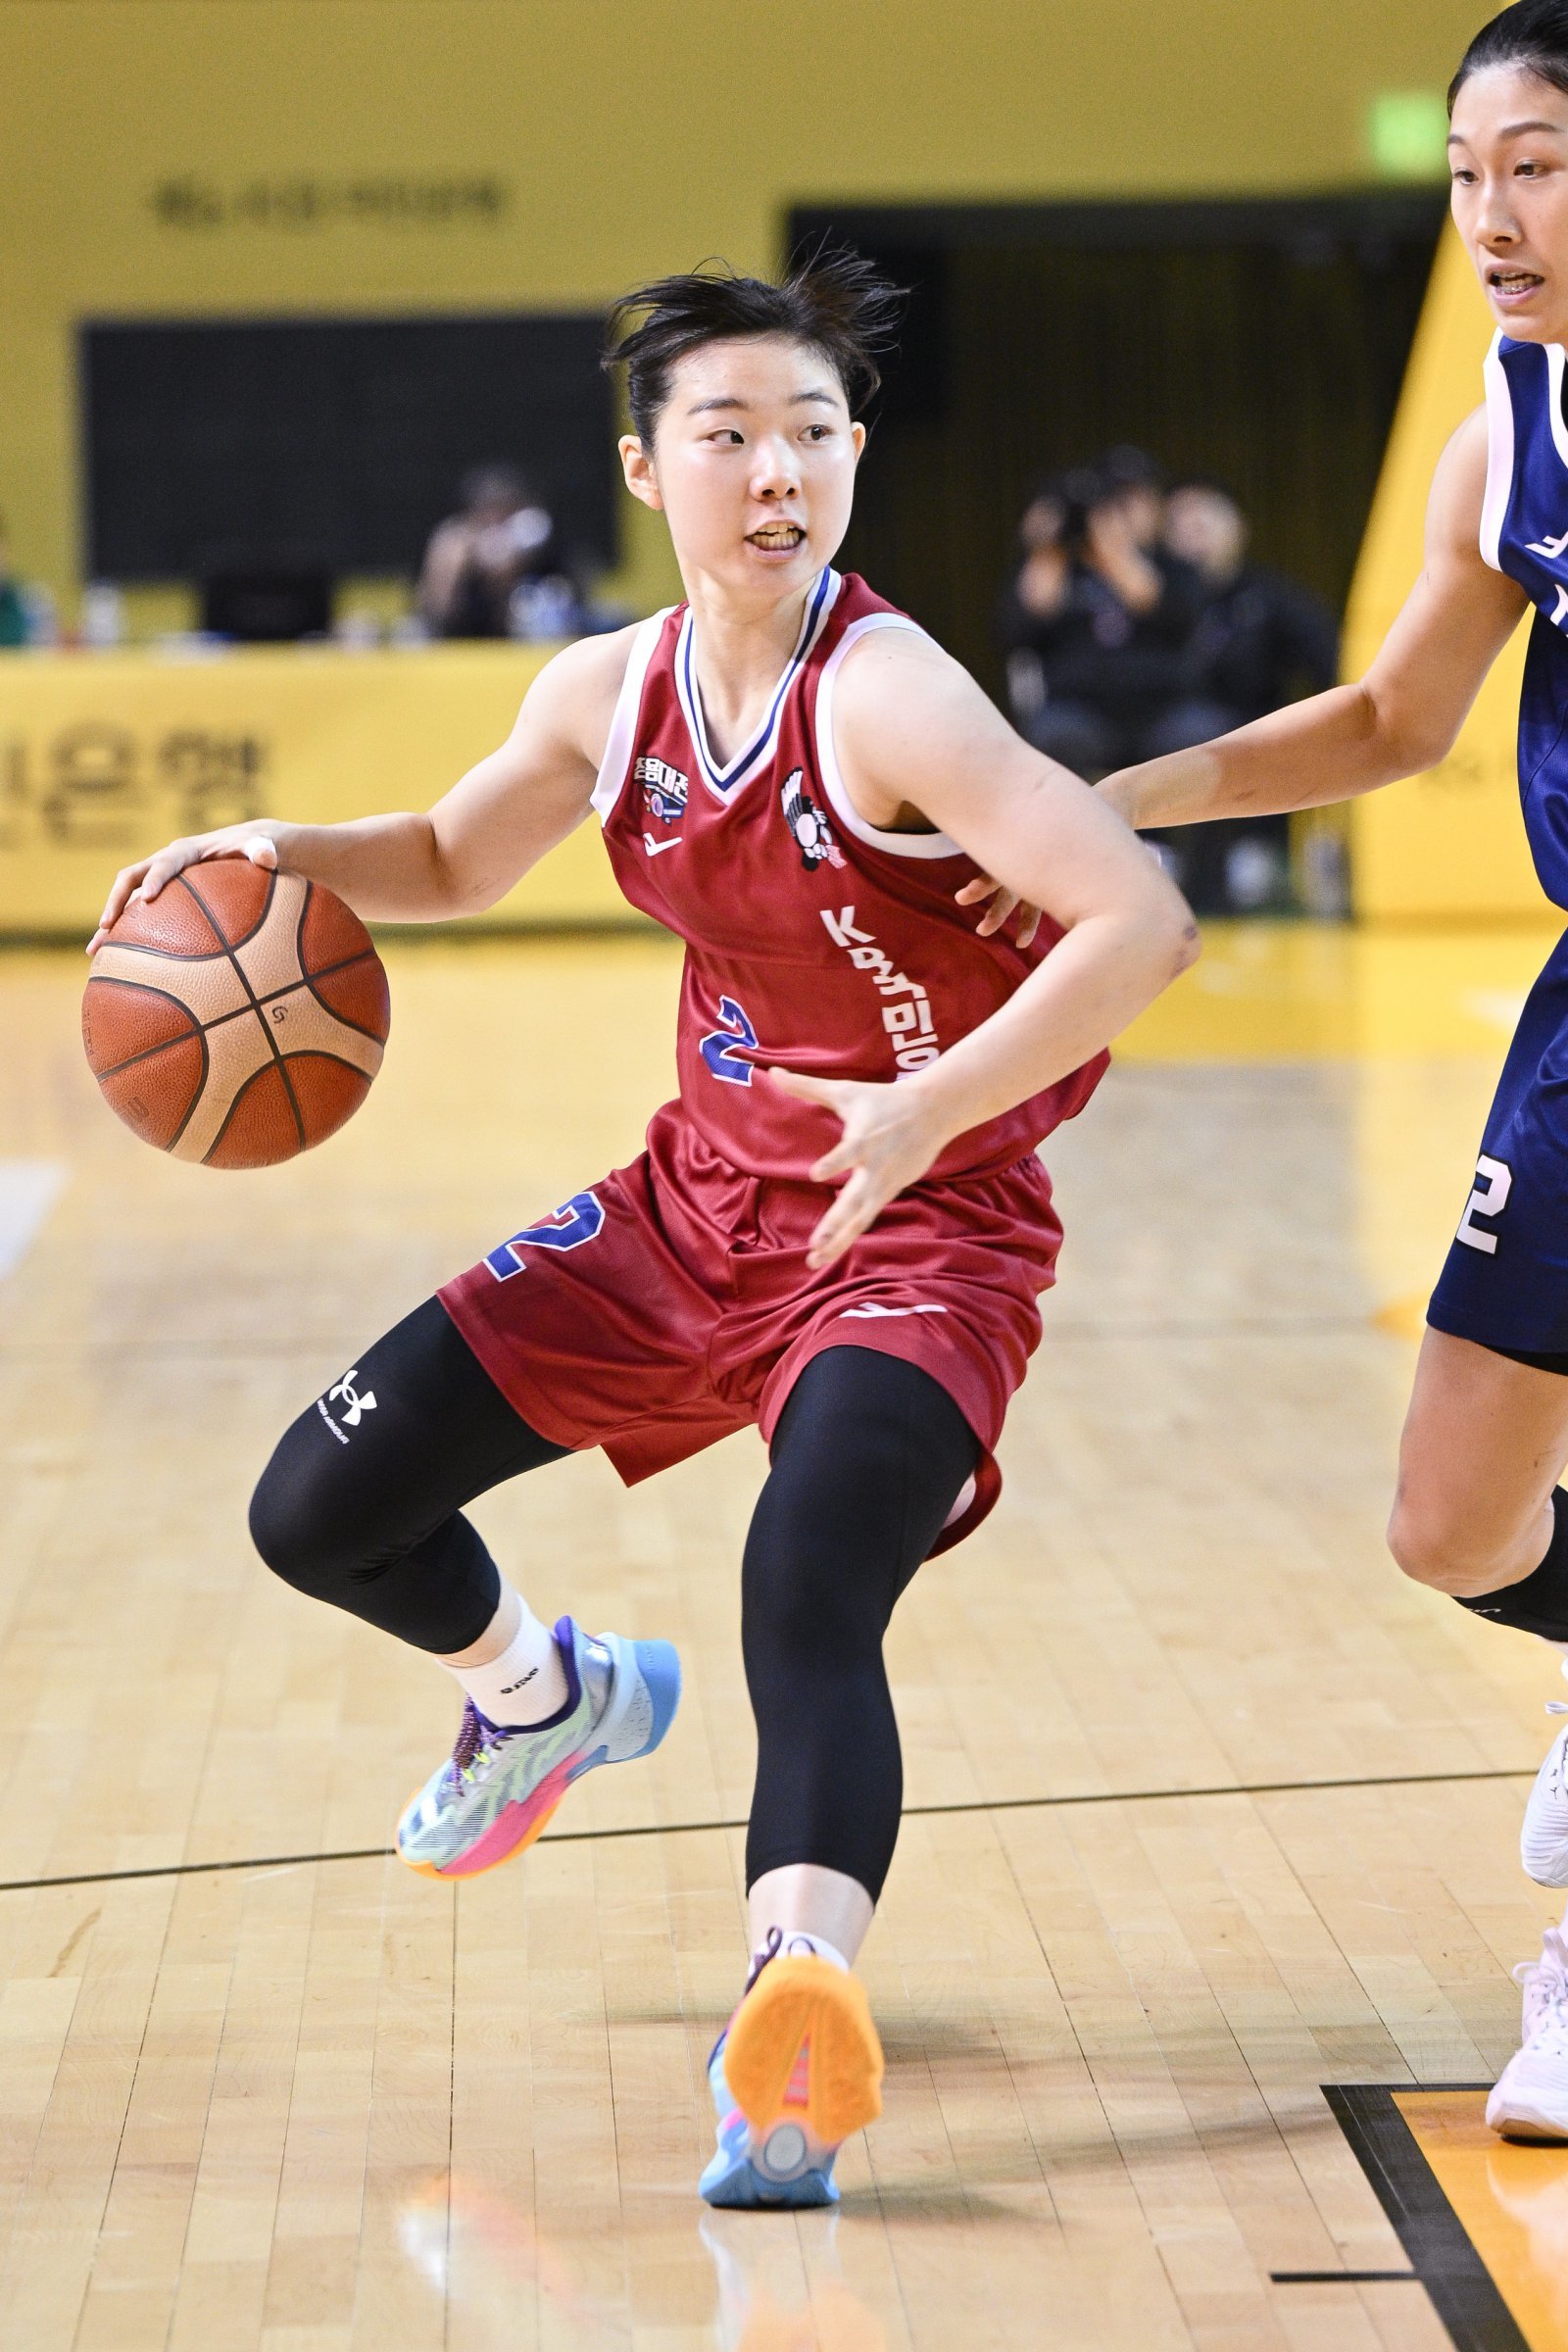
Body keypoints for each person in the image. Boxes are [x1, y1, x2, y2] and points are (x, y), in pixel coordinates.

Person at [89, 256, 1196, 2207]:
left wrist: (930, 1106)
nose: (780, 473)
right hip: (687, 1213)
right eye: (732, 434)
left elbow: (1140, 917)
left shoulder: (890, 692)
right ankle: (546, 1699)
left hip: (917, 1234)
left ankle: (795, 2010)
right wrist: (281, 855)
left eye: (815, 434)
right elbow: (455, 854)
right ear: (642, 468)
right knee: (314, 1513)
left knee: (806, 1581)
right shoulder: (606, 692)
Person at [1085, 0, 1568, 2142]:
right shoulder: (1503, 441)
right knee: (1449, 1525)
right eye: (1463, 175)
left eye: (1533, 165)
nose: (1490, 213)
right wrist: (1116, 796)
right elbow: (1388, 722)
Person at [1159, 478, 1342, 910]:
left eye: (1204, 525)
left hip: (1252, 733)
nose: (1194, 538)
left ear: (1237, 528)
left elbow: (1328, 654)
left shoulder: (1265, 597)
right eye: (1181, 528)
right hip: (1163, 736)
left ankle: (1253, 853)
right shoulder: (1152, 599)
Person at [996, 458, 1208, 784]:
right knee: (1055, 738)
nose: (1117, 514)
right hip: (1079, 711)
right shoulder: (1052, 568)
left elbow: (1173, 616)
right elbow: (1016, 633)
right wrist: (1045, 549)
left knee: (1200, 736)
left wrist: (1114, 550)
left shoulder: (1173, 566)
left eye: (1131, 501)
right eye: (1110, 503)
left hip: (1160, 710)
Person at [416, 464, 571, 639]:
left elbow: (508, 564)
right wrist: (453, 566)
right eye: (489, 509)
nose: (496, 518)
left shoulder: (532, 528)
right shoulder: (456, 540)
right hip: (464, 638)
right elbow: (439, 607)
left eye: (505, 508)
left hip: (534, 637)